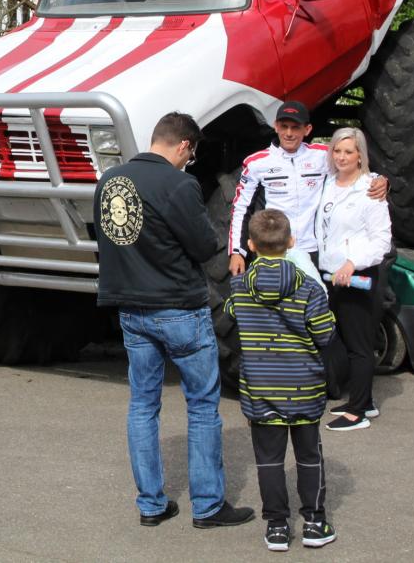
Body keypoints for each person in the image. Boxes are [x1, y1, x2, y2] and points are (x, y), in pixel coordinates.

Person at [93, 111, 254, 530]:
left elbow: (109, 238)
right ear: (184, 145)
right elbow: (204, 246)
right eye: (192, 154)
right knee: (201, 406)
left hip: (132, 308)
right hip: (179, 307)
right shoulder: (179, 184)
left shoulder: (111, 181)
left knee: (143, 407)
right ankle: (208, 505)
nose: (190, 161)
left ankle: (150, 504)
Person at [227, 100, 387, 398]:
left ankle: (328, 386)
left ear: (307, 129)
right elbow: (240, 207)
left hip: (314, 254)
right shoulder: (257, 161)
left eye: (296, 127)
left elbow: (354, 170)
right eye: (284, 126)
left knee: (320, 320)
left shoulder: (321, 156)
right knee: (276, 323)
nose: (289, 133)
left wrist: (380, 180)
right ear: (275, 127)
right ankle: (273, 385)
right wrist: (236, 251)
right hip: (277, 254)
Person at [225, 209, 338, 551]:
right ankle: (314, 522)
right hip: (304, 386)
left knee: (269, 460)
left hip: (261, 388)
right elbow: (325, 334)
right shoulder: (309, 289)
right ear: (291, 242)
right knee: (309, 456)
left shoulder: (239, 288)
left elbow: (230, 315)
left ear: (250, 245)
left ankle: (276, 525)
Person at [318, 127, 392, 432]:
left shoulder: (370, 189)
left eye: (349, 151)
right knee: (347, 340)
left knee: (359, 345)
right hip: (333, 275)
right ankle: (366, 401)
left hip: (356, 276)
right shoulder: (328, 183)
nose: (342, 157)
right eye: (337, 151)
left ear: (360, 155)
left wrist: (353, 263)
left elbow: (382, 240)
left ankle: (357, 413)